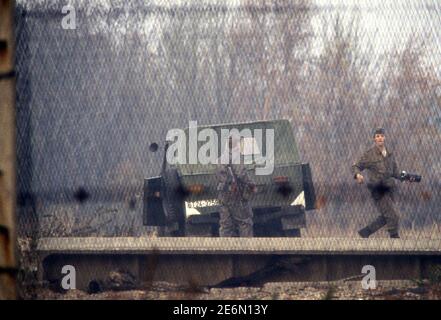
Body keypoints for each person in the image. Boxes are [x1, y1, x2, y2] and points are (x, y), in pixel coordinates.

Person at [352, 128, 408, 238]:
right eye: (377, 136)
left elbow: (395, 172)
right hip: (378, 189)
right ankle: (394, 238)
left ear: (385, 137)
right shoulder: (369, 154)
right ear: (374, 139)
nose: (380, 138)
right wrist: (357, 175)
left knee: (386, 216)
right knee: (394, 215)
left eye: (381, 135)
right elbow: (356, 166)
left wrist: (406, 177)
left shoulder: (390, 154)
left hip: (390, 189)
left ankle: (365, 233)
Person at [216, 136, 257, 237]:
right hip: (236, 195)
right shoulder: (236, 157)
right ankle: (247, 249)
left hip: (223, 195)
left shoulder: (220, 159)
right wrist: (251, 185)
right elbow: (241, 174)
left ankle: (226, 249)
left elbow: (218, 177)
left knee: (226, 225)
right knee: (244, 222)